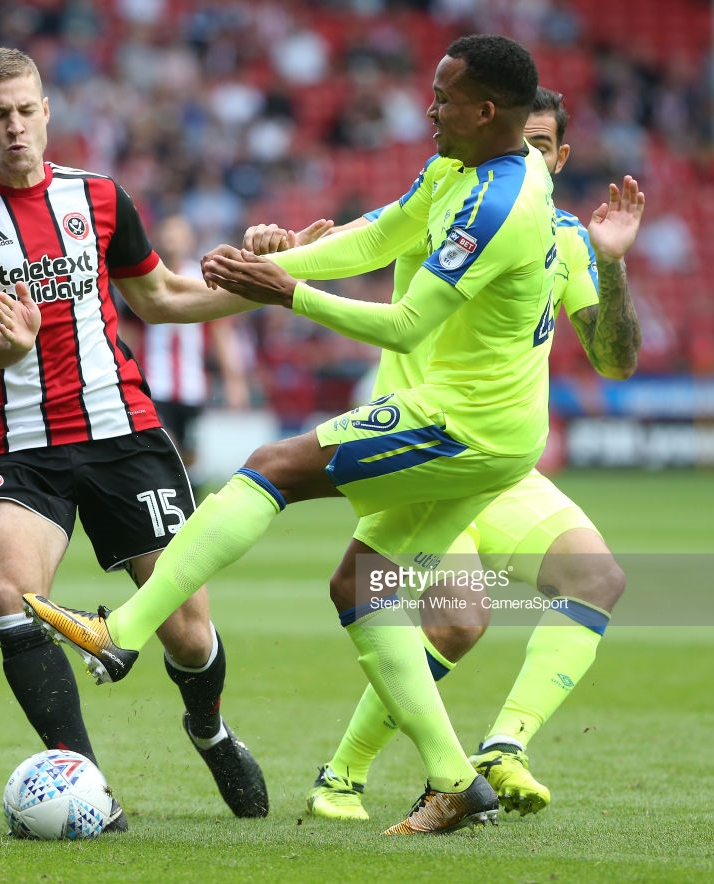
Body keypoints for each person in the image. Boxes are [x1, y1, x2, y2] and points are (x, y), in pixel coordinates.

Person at [26, 34, 556, 835]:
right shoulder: (461, 168)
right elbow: (381, 238)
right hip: (497, 424)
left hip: (467, 424)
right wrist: (289, 263)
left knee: (271, 466)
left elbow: (410, 325)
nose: (429, 107)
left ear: (487, 111)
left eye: (444, 98)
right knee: (360, 588)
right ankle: (455, 781)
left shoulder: (499, 204)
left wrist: (287, 294)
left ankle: (121, 634)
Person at [257, 87, 643, 821]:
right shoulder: (449, 203)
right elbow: (358, 243)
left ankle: (503, 747)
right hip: (423, 449)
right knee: (458, 621)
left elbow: (615, 359)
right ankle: (343, 775)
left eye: (537, 147)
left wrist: (614, 262)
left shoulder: (565, 238)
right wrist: (283, 252)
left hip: (499, 459)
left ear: (560, 158)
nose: (518, 157)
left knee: (596, 578)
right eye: (512, 139)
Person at [0, 47, 268, 829]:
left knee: (187, 628)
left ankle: (208, 729)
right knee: (14, 595)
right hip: (19, 447)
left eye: (26, 110)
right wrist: (14, 341)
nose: (14, 127)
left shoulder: (100, 197)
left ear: (48, 111)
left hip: (126, 435)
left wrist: (272, 286)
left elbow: (165, 296)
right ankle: (89, 787)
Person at [129, 213, 250, 470]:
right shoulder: (143, 279)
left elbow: (221, 332)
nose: (173, 238)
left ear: (189, 239)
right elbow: (129, 335)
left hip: (192, 386)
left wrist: (234, 381)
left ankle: (188, 505)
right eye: (168, 232)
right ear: (157, 238)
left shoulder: (203, 279)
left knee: (189, 459)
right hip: (153, 385)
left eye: (179, 232)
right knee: (164, 447)